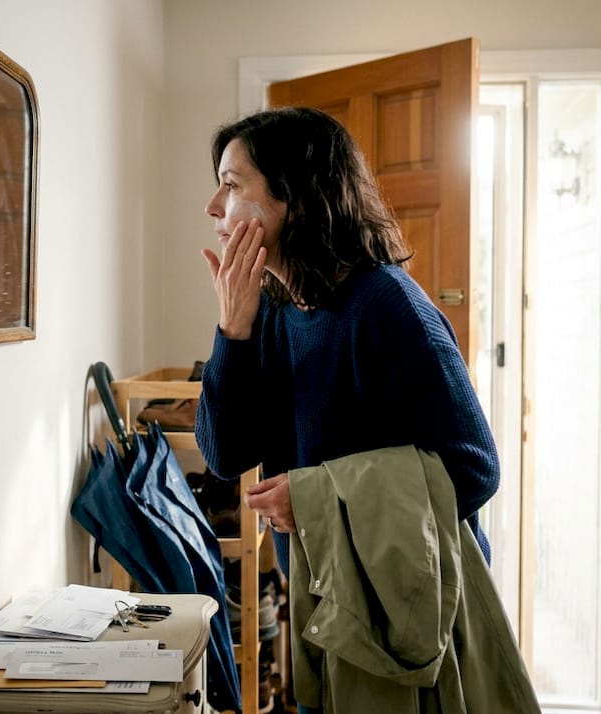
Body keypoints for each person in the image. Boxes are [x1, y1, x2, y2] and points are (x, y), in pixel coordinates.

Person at [193, 107, 502, 699]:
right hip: (328, 603)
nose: (212, 206)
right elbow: (226, 454)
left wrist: (317, 498)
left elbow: (475, 468)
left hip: (414, 612)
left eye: (231, 185)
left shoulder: (389, 307)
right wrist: (232, 328)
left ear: (293, 197)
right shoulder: (273, 308)